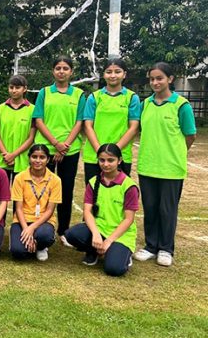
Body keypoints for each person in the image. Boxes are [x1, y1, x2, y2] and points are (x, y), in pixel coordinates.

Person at [134, 62, 196, 267]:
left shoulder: (181, 105)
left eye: (159, 78)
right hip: (148, 165)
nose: (155, 82)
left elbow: (190, 135)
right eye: (152, 79)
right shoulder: (146, 104)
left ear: (170, 79)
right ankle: (151, 246)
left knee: (167, 210)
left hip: (171, 168)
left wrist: (175, 153)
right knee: (150, 207)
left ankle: (166, 248)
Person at [65, 144, 139, 276]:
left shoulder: (129, 186)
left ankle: (123, 255)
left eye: (111, 160)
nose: (106, 164)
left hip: (120, 235)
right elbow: (87, 212)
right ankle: (93, 251)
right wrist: (95, 234)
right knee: (71, 235)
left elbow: (129, 219)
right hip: (99, 229)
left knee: (114, 269)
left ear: (119, 161)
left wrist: (109, 240)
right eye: (102, 160)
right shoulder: (94, 182)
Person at [32, 56, 85, 241]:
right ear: (53, 71)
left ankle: (63, 230)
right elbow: (38, 120)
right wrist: (55, 144)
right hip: (45, 149)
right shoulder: (44, 93)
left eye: (65, 68)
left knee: (65, 189)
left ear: (71, 71)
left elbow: (80, 122)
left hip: (69, 150)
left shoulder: (79, 94)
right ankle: (40, 227)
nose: (61, 71)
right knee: (41, 188)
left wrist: (64, 147)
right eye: (58, 68)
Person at [82, 59, 140, 184]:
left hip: (121, 157)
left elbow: (133, 127)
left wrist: (114, 153)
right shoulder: (94, 97)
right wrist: (101, 153)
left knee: (118, 197)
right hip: (94, 156)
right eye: (109, 72)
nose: (113, 75)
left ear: (124, 74)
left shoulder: (132, 98)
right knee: (93, 196)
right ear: (104, 74)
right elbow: (88, 126)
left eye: (117, 72)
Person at [9, 144, 61, 261]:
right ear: (29, 158)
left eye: (42, 157)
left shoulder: (55, 180)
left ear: (48, 160)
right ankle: (28, 243)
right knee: (18, 253)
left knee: (44, 236)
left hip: (44, 221)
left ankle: (41, 246)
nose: (38, 161)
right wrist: (26, 229)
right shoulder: (19, 178)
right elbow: (18, 208)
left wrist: (31, 228)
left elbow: (50, 210)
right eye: (34, 157)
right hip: (22, 220)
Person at [0, 74, 36, 183]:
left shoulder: (32, 110)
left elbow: (31, 137)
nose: (14, 90)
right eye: (11, 87)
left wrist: (13, 155)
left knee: (21, 197)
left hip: (22, 160)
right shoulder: (0, 109)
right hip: (2, 159)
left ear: (25, 89)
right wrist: (6, 154)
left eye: (17, 87)